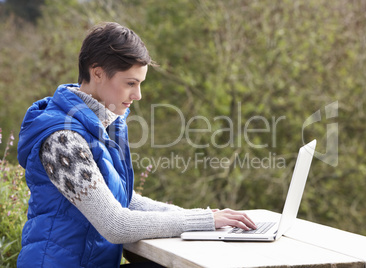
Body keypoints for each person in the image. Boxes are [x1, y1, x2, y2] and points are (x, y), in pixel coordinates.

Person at [17, 22, 256, 268]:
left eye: (140, 83)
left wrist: (206, 216)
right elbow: (115, 224)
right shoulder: (62, 140)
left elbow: (125, 200)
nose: (138, 95)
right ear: (97, 73)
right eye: (130, 83)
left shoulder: (101, 125)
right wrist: (202, 221)